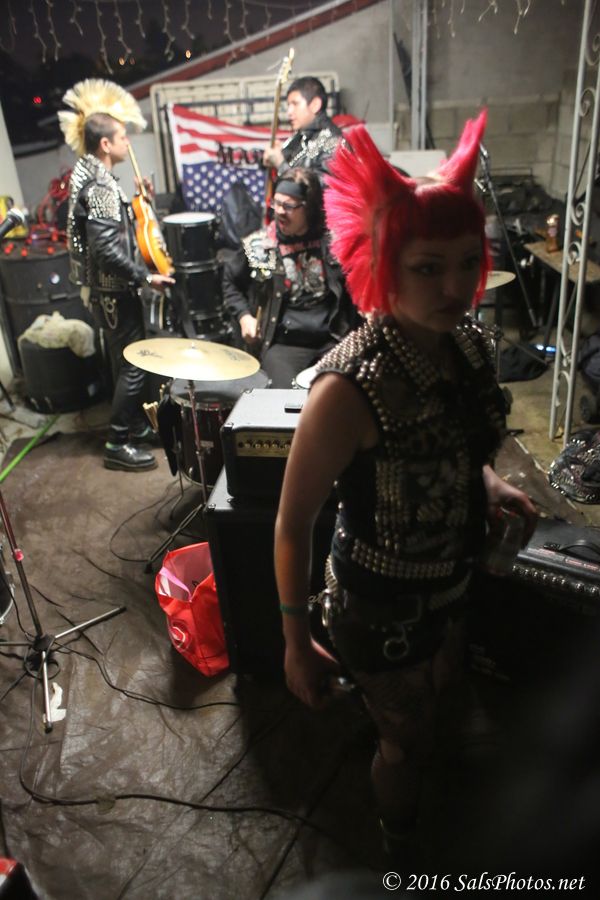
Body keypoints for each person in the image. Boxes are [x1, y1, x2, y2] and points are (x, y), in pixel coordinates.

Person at [274, 111, 537, 863]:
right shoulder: (345, 388)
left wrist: (486, 482)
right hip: (376, 610)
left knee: (443, 705)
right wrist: (294, 641)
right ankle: (400, 849)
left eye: (467, 262)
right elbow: (292, 523)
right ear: (387, 263)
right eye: (427, 267)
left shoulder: (469, 346)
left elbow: (451, 438)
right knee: (404, 741)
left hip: (455, 584)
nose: (455, 287)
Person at [60, 79, 174, 471]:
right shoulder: (100, 186)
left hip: (110, 290)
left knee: (126, 362)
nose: (129, 143)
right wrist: (145, 277)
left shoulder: (100, 180)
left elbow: (119, 233)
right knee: (132, 365)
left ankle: (135, 427)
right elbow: (106, 250)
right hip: (113, 292)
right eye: (123, 137)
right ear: (105, 144)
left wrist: (141, 200)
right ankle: (117, 442)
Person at [222, 167, 360, 388]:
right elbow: (230, 281)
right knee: (282, 398)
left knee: (346, 391)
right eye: (276, 203)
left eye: (288, 206)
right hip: (285, 344)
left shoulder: (334, 242)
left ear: (310, 208)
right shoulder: (259, 245)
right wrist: (244, 316)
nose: (279, 212)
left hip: (333, 338)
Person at [262, 76, 342, 182]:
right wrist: (278, 155)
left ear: (315, 105)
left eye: (295, 104)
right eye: (289, 105)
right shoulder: (300, 137)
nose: (289, 112)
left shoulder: (333, 141)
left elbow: (320, 186)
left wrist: (280, 165)